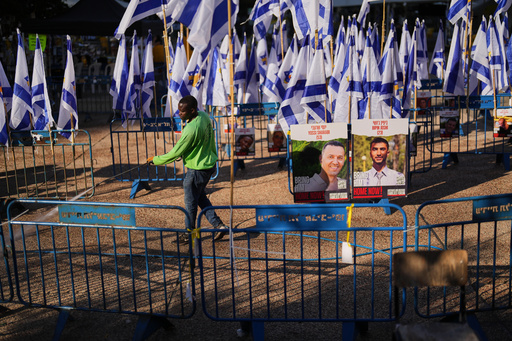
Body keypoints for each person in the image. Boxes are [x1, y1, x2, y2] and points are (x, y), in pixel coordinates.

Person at [147, 95, 228, 243]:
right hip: (209, 164)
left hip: (197, 169)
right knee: (201, 198)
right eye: (179, 111)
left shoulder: (191, 129)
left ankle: (189, 234)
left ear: (192, 110)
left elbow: (174, 153)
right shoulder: (203, 116)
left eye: (182, 112)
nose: (179, 114)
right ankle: (219, 226)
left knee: (190, 204)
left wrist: (155, 160)